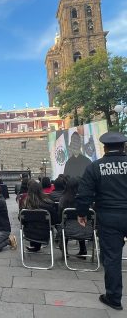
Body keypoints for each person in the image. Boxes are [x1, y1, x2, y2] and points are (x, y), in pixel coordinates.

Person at [76, 131, 127, 311]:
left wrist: (82, 213)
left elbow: (84, 194)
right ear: (124, 146)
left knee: (112, 258)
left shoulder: (95, 167)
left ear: (104, 147)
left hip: (109, 217)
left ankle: (113, 297)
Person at [21, 180, 58, 252]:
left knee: (33, 224)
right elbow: (55, 220)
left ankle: (35, 246)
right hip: (45, 233)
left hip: (28, 234)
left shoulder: (26, 206)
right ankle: (36, 246)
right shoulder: (48, 205)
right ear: (41, 191)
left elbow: (21, 219)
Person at [58, 177, 87, 258]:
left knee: (64, 223)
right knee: (81, 221)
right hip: (85, 229)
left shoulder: (63, 199)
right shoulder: (85, 199)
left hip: (68, 229)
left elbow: (60, 215)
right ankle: (83, 249)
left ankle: (64, 248)